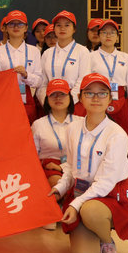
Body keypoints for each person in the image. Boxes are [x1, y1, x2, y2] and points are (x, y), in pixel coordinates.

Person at [48, 73, 128, 253]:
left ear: (110, 99)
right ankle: (92, 230)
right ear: (80, 98)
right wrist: (60, 189)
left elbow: (106, 182)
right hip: (80, 193)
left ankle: (106, 240)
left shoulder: (117, 135)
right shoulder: (72, 129)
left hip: (107, 196)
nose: (96, 98)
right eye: (89, 93)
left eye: (102, 93)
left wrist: (76, 205)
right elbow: (70, 167)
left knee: (91, 212)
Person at [31, 78, 79, 230]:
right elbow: (32, 156)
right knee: (57, 180)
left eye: (62, 94)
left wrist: (63, 167)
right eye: (53, 94)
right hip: (48, 167)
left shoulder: (80, 122)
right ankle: (53, 208)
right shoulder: (39, 124)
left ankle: (57, 207)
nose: (58, 98)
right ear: (47, 99)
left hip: (75, 166)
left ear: (70, 98)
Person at [90, 19, 128, 138]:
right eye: (104, 32)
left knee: (120, 137)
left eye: (112, 32)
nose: (108, 36)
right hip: (98, 100)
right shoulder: (90, 57)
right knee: (98, 136)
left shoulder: (125, 57)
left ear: (117, 37)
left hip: (121, 100)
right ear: (99, 35)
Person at [38, 10, 91, 114]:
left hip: (74, 104)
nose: (62, 28)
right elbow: (42, 82)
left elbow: (83, 80)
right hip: (51, 103)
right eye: (58, 25)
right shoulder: (47, 53)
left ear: (74, 29)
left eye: (67, 25)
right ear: (54, 29)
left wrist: (68, 101)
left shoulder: (82, 51)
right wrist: (47, 101)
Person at [0, 10, 42, 123]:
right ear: (6, 28)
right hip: (4, 99)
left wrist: (26, 75)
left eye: (20, 24)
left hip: (27, 99)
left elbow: (39, 81)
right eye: (12, 24)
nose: (16, 27)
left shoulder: (34, 51)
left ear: (26, 28)